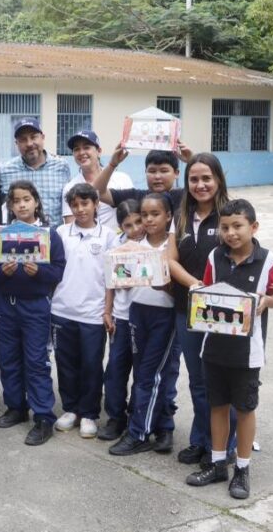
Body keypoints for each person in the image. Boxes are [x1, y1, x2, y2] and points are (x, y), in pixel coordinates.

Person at [185, 199, 273, 500]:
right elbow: (206, 291)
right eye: (225, 227)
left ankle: (242, 468)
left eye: (238, 226)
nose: (231, 233)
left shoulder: (268, 259)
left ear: (254, 227)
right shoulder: (216, 256)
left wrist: (268, 300)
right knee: (217, 406)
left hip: (247, 353)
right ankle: (217, 465)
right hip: (213, 347)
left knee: (244, 409)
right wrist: (197, 294)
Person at [0, 180, 66, 446]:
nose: (21, 204)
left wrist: (39, 272)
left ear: (36, 202)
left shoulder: (48, 234)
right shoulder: (1, 235)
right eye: (16, 200)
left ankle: (43, 416)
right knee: (8, 360)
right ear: (9, 205)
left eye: (26, 199)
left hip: (35, 306)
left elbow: (58, 270)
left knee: (36, 360)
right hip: (5, 306)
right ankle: (16, 407)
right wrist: (2, 271)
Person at [110, 193, 178, 456]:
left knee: (153, 374)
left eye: (155, 214)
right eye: (145, 215)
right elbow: (117, 277)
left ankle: (139, 432)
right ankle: (153, 424)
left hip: (164, 314)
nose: (149, 220)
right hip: (137, 312)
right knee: (143, 375)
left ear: (169, 216)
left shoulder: (172, 245)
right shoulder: (132, 246)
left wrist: (166, 283)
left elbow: (176, 285)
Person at [50, 183, 113, 439]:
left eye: (85, 203)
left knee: (91, 365)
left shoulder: (108, 235)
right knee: (65, 364)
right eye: (75, 205)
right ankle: (71, 409)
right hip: (62, 309)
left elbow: (112, 277)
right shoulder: (61, 232)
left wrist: (107, 310)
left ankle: (89, 413)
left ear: (96, 204)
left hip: (93, 313)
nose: (80, 209)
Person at [99, 199, 144, 443]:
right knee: (116, 368)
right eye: (128, 225)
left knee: (143, 370)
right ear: (120, 228)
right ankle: (115, 417)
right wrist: (108, 311)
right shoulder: (116, 246)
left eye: (139, 221)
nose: (136, 229)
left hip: (146, 317)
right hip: (121, 316)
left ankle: (137, 416)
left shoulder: (153, 244)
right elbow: (110, 282)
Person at [0, 117, 71, 227]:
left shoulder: (61, 167)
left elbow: (69, 204)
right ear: (16, 143)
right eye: (23, 139)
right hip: (17, 238)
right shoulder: (6, 171)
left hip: (54, 238)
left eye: (33, 137)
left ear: (42, 137)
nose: (29, 143)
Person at [61, 131, 133, 231]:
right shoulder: (70, 188)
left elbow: (133, 214)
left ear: (99, 151)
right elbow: (70, 226)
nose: (81, 153)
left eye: (86, 147)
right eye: (76, 149)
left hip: (120, 242)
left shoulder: (121, 179)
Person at [94, 145, 192, 211]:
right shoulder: (135, 197)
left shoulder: (186, 197)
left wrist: (192, 160)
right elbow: (98, 192)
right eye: (152, 171)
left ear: (176, 173)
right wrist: (112, 164)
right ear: (145, 172)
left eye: (164, 171)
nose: (157, 176)